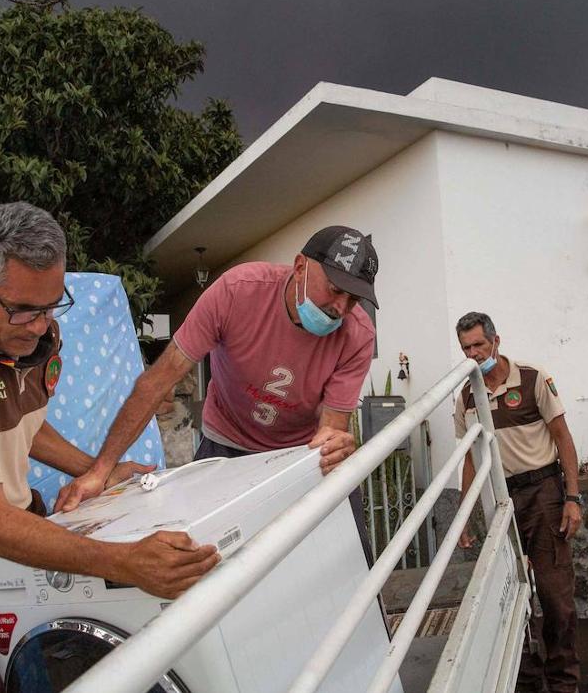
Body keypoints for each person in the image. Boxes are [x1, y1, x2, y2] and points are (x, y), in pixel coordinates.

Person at [0, 202, 219, 693]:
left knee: (45, 663)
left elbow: (25, 424)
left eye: (51, 306)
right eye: (23, 309)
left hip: (5, 519)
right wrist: (124, 562)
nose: (39, 325)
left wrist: (96, 471)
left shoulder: (33, 332)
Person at [56, 226, 379, 530]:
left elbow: (331, 428)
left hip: (299, 453)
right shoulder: (237, 291)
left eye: (353, 299)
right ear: (299, 267)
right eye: (335, 290)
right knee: (207, 556)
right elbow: (158, 381)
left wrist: (335, 445)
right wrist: (99, 471)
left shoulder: (359, 335)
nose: (341, 307)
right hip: (224, 443)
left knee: (350, 552)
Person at [453, 311, 582, 693]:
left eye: (479, 344)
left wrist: (572, 498)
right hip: (502, 501)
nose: (474, 353)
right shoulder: (465, 395)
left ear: (496, 341)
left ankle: (564, 684)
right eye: (466, 348)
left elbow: (563, 438)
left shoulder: (532, 378)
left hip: (543, 493)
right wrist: (464, 515)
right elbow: (471, 457)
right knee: (510, 597)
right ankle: (526, 682)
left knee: (555, 597)